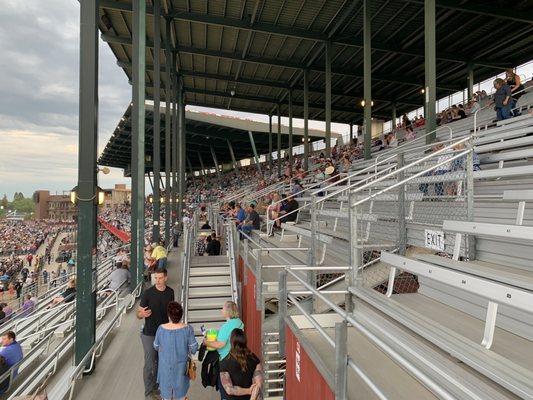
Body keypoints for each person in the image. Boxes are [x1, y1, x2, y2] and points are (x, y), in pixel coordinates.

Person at [137, 268, 175, 400]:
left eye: (160, 278)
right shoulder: (148, 293)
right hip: (149, 334)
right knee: (149, 364)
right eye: (156, 278)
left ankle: (157, 387)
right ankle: (148, 392)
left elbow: (171, 313)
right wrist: (142, 314)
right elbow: (138, 314)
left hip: (164, 333)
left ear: (165, 278)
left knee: (161, 363)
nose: (157, 281)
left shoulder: (170, 292)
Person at [153, 302, 198, 400]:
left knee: (166, 396)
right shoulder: (188, 329)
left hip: (165, 369)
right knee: (181, 396)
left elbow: (156, 346)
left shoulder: (161, 329)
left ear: (168, 315)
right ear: (181, 315)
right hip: (181, 370)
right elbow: (194, 349)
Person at [204, 301, 244, 400]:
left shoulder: (226, 327)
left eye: (223, 308)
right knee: (236, 384)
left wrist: (206, 342)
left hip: (226, 361)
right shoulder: (239, 322)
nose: (221, 310)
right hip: (238, 358)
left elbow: (220, 344)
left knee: (225, 388)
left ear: (228, 311)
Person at [219, 329, 263, 400]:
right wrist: (251, 394)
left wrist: (248, 391)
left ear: (231, 342)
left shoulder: (224, 362)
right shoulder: (254, 359)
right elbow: (259, 384)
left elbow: (229, 390)